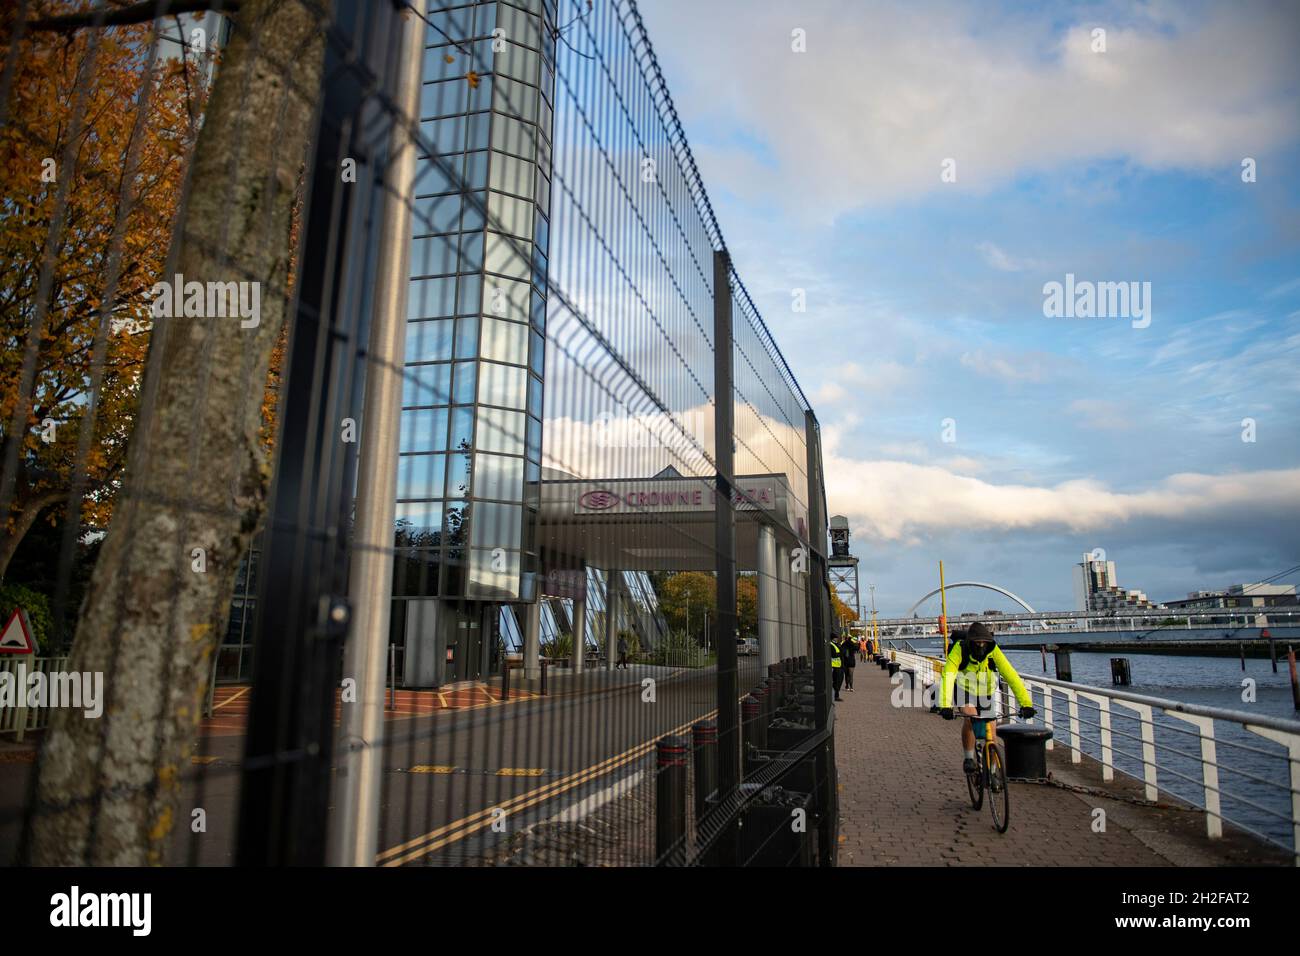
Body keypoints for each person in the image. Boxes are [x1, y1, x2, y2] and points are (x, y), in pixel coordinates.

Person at [938, 621, 1035, 774]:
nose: (981, 646)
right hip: (964, 689)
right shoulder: (959, 649)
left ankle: (993, 771)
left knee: (991, 730)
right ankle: (969, 758)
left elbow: (1011, 675)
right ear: (970, 642)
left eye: (984, 643)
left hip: (986, 690)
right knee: (970, 717)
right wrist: (945, 705)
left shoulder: (993, 649)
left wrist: (1026, 704)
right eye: (977, 643)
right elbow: (948, 676)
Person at [829, 632, 845, 701]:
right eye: (836, 638)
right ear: (833, 638)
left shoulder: (836, 644)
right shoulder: (831, 645)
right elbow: (834, 654)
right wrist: (839, 653)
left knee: (840, 680)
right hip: (835, 666)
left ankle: (836, 694)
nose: (837, 639)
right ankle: (836, 696)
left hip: (839, 665)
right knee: (836, 682)